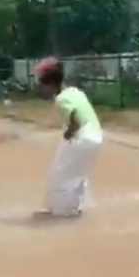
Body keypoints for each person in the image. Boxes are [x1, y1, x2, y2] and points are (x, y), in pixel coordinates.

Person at [35, 57, 103, 217]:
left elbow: (75, 121)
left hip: (82, 138)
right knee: (77, 173)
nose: (43, 88)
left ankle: (62, 211)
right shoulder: (75, 91)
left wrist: (68, 133)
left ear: (51, 83)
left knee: (58, 175)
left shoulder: (61, 99)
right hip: (96, 136)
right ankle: (77, 206)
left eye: (44, 84)